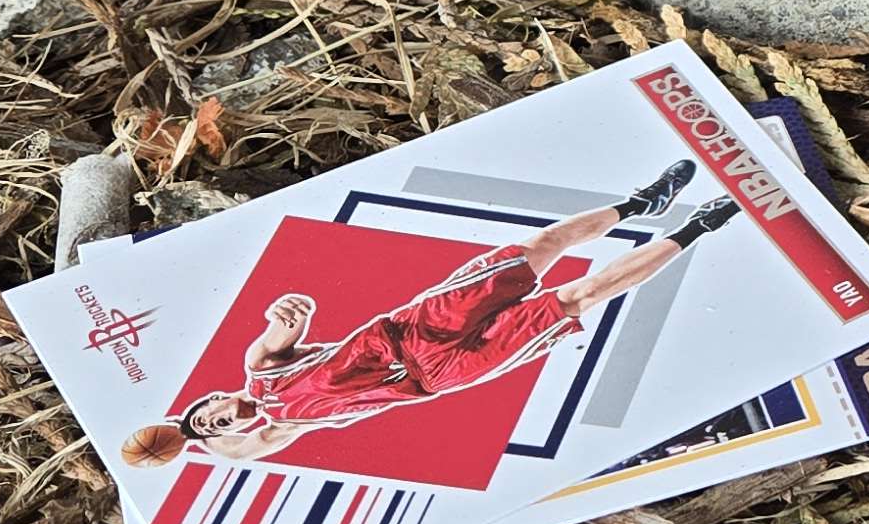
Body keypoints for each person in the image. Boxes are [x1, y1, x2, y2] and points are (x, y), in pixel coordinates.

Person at [121, 159, 735, 470]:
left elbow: (286, 328)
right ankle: (696, 228)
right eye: (216, 427)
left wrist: (290, 313)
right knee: (579, 298)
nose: (222, 419)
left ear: (215, 397)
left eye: (209, 413)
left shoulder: (259, 370)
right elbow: (236, 454)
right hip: (442, 374)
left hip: (414, 328)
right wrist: (176, 445)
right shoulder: (277, 432)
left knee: (538, 250)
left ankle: (639, 202)